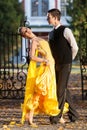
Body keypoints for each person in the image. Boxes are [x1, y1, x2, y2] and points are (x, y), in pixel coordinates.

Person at [18, 27, 69, 127]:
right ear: (24, 36)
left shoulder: (39, 38)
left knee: (52, 92)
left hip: (52, 67)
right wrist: (44, 60)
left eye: (27, 28)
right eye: (25, 31)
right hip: (46, 68)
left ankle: (59, 116)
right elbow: (31, 56)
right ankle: (30, 118)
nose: (27, 30)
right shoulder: (33, 41)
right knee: (39, 92)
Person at [47, 8, 79, 124]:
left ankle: (56, 117)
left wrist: (69, 60)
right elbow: (51, 50)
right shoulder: (50, 34)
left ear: (55, 18)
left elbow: (75, 47)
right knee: (63, 89)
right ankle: (74, 115)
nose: (47, 19)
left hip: (66, 64)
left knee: (60, 90)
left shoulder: (66, 31)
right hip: (56, 64)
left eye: (49, 17)